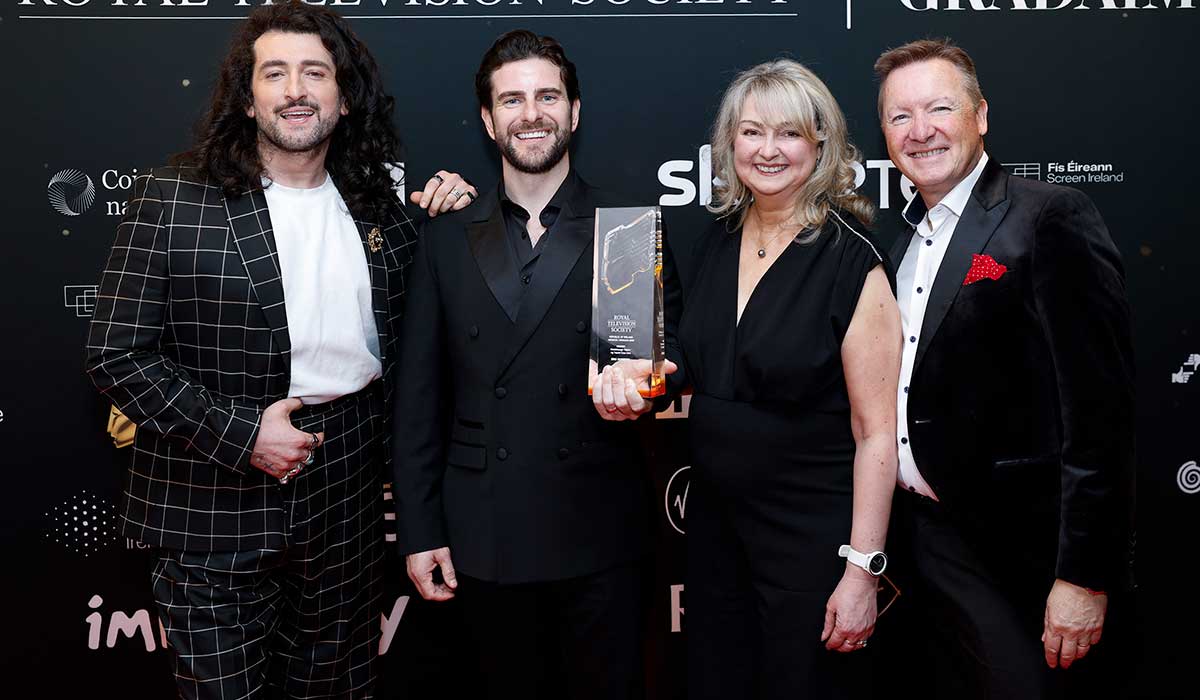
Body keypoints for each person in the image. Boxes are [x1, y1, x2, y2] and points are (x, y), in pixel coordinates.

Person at [84, 2, 473, 697]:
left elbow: (427, 334)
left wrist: (457, 210)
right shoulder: (172, 197)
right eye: (276, 73)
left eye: (315, 73)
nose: (296, 90)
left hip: (349, 486)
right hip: (211, 492)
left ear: (345, 97)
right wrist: (241, 434)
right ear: (247, 94)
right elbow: (116, 355)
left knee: (336, 686)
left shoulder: (381, 208)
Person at [597, 59, 901, 699]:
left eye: (788, 134)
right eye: (752, 132)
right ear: (729, 141)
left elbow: (877, 433)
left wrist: (861, 571)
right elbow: (687, 359)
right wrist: (635, 379)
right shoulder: (718, 237)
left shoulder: (853, 262)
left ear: (820, 145)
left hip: (812, 543)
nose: (768, 151)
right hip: (716, 536)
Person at [390, 30, 667, 700]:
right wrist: (419, 531)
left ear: (575, 111)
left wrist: (648, 384)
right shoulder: (447, 237)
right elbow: (419, 399)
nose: (530, 112)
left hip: (598, 532)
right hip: (482, 535)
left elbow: (648, 365)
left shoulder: (624, 229)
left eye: (547, 95)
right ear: (488, 121)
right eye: (511, 99)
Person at [874, 38, 1136, 699]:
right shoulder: (895, 239)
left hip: (1014, 555)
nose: (920, 130)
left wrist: (1084, 576)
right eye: (900, 116)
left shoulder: (1048, 216)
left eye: (939, 108)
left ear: (981, 114)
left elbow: (1101, 416)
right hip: (915, 546)